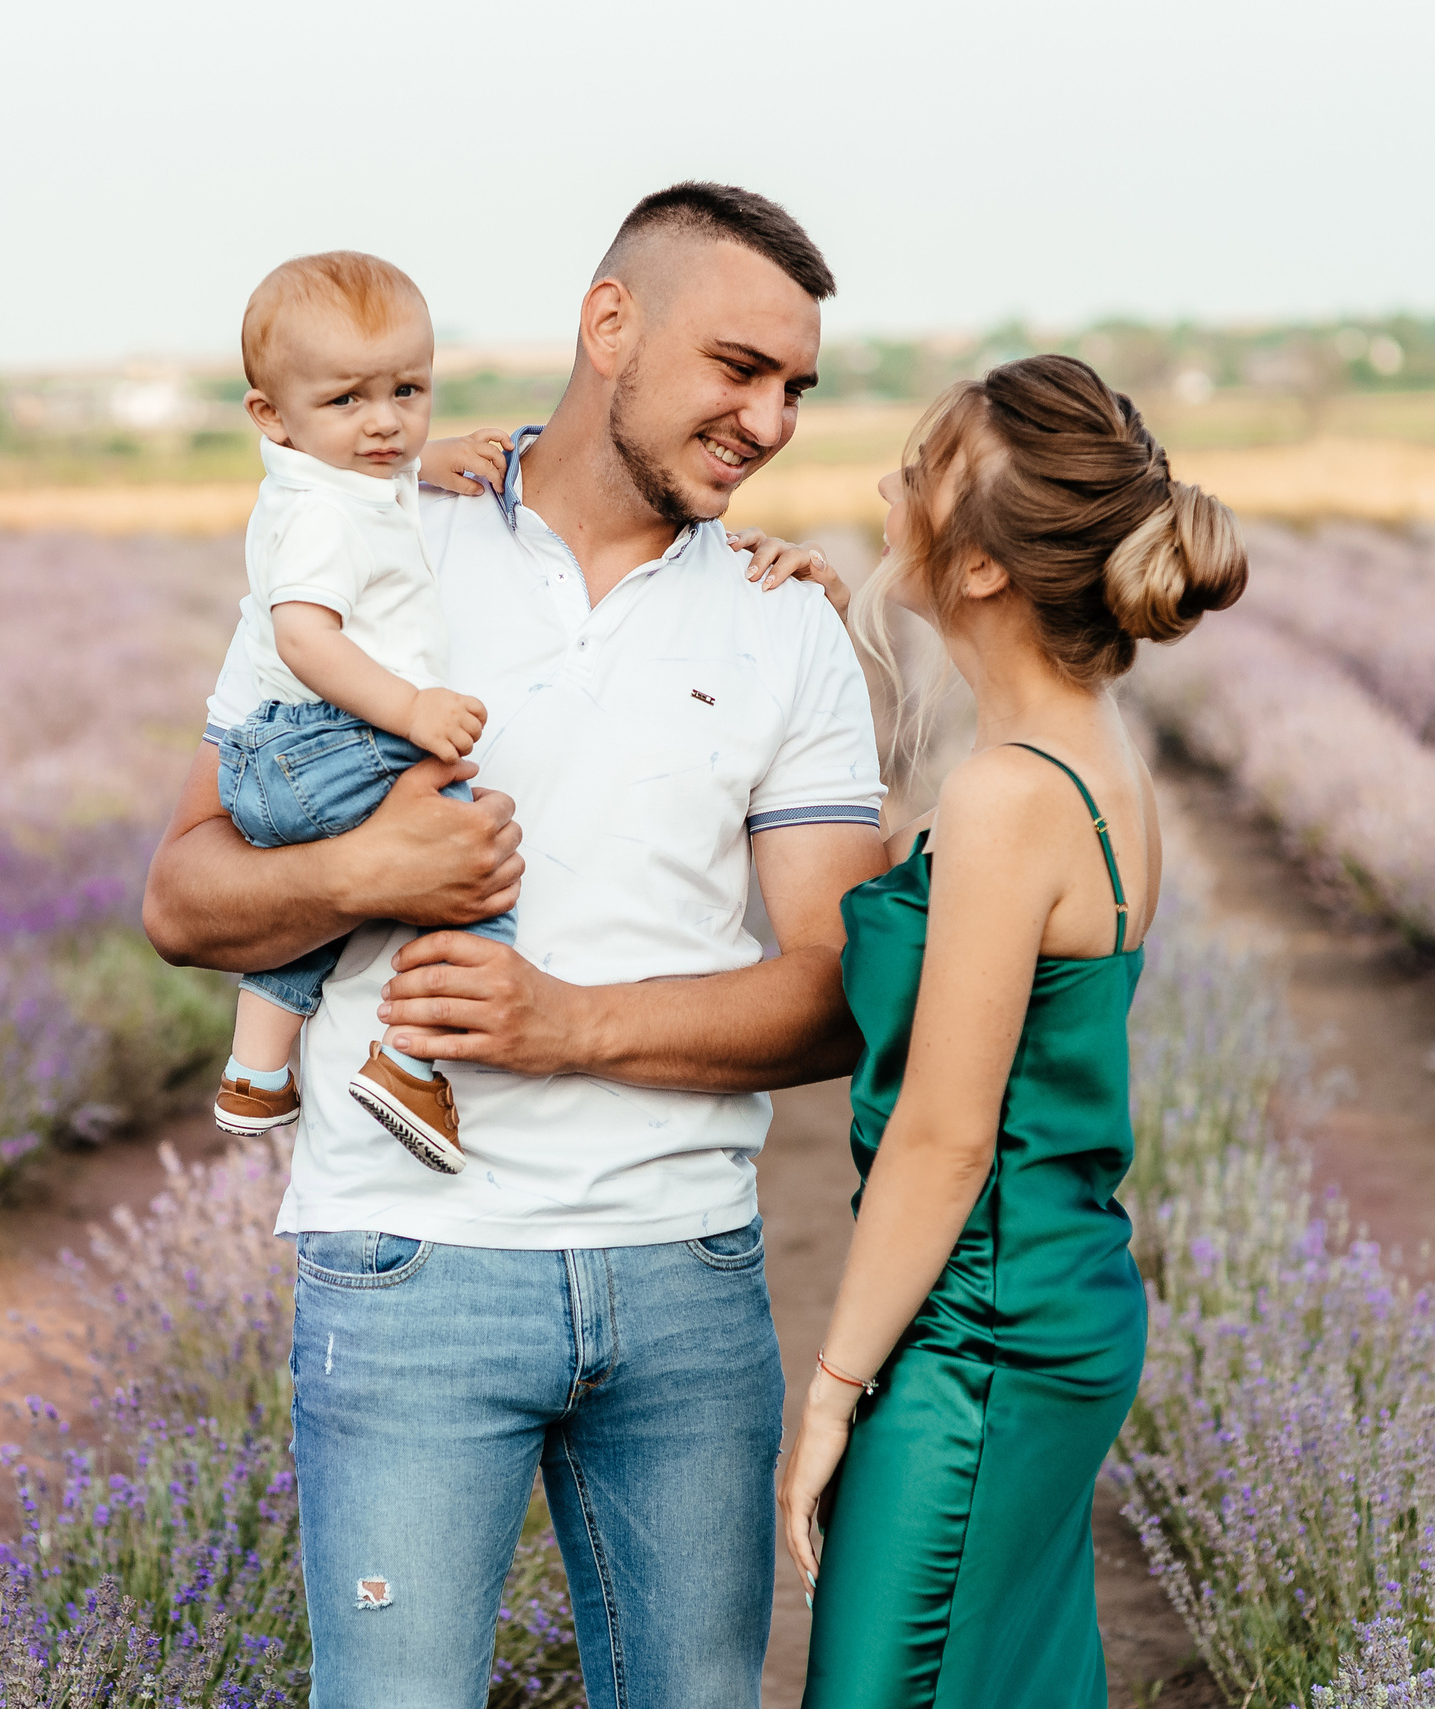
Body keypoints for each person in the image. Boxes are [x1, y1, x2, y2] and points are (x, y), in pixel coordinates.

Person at [144, 183, 886, 1709]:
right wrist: (368, 864)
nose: (769, 420)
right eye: (736, 368)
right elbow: (185, 894)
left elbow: (836, 992)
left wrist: (566, 1024)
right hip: (410, 1267)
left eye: (795, 389)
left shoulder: (789, 622)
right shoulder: (375, 540)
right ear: (609, 324)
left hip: (686, 1275)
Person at [777, 353, 1248, 1708]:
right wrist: (831, 626)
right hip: (1050, 1302)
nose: (886, 483)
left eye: (922, 469)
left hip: (979, 1334)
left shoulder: (1008, 795)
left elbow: (943, 1133)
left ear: (984, 569)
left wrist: (831, 1388)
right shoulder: (1085, 764)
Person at [207, 247, 530, 1169]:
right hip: (332, 741)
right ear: (270, 414)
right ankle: (405, 1062)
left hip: (272, 762)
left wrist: (435, 459)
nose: (386, 423)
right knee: (474, 869)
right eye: (349, 401)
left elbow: (379, 472)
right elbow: (306, 638)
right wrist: (413, 706)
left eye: (410, 391)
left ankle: (256, 1072)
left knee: (322, 911)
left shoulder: (326, 479)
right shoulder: (323, 519)